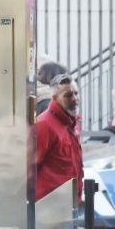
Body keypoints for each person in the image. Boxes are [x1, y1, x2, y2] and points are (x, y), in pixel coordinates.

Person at [34, 74, 83, 202]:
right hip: (49, 207)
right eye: (67, 95)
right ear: (55, 98)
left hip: (68, 205)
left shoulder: (72, 123)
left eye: (76, 93)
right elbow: (30, 169)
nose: (74, 99)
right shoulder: (44, 125)